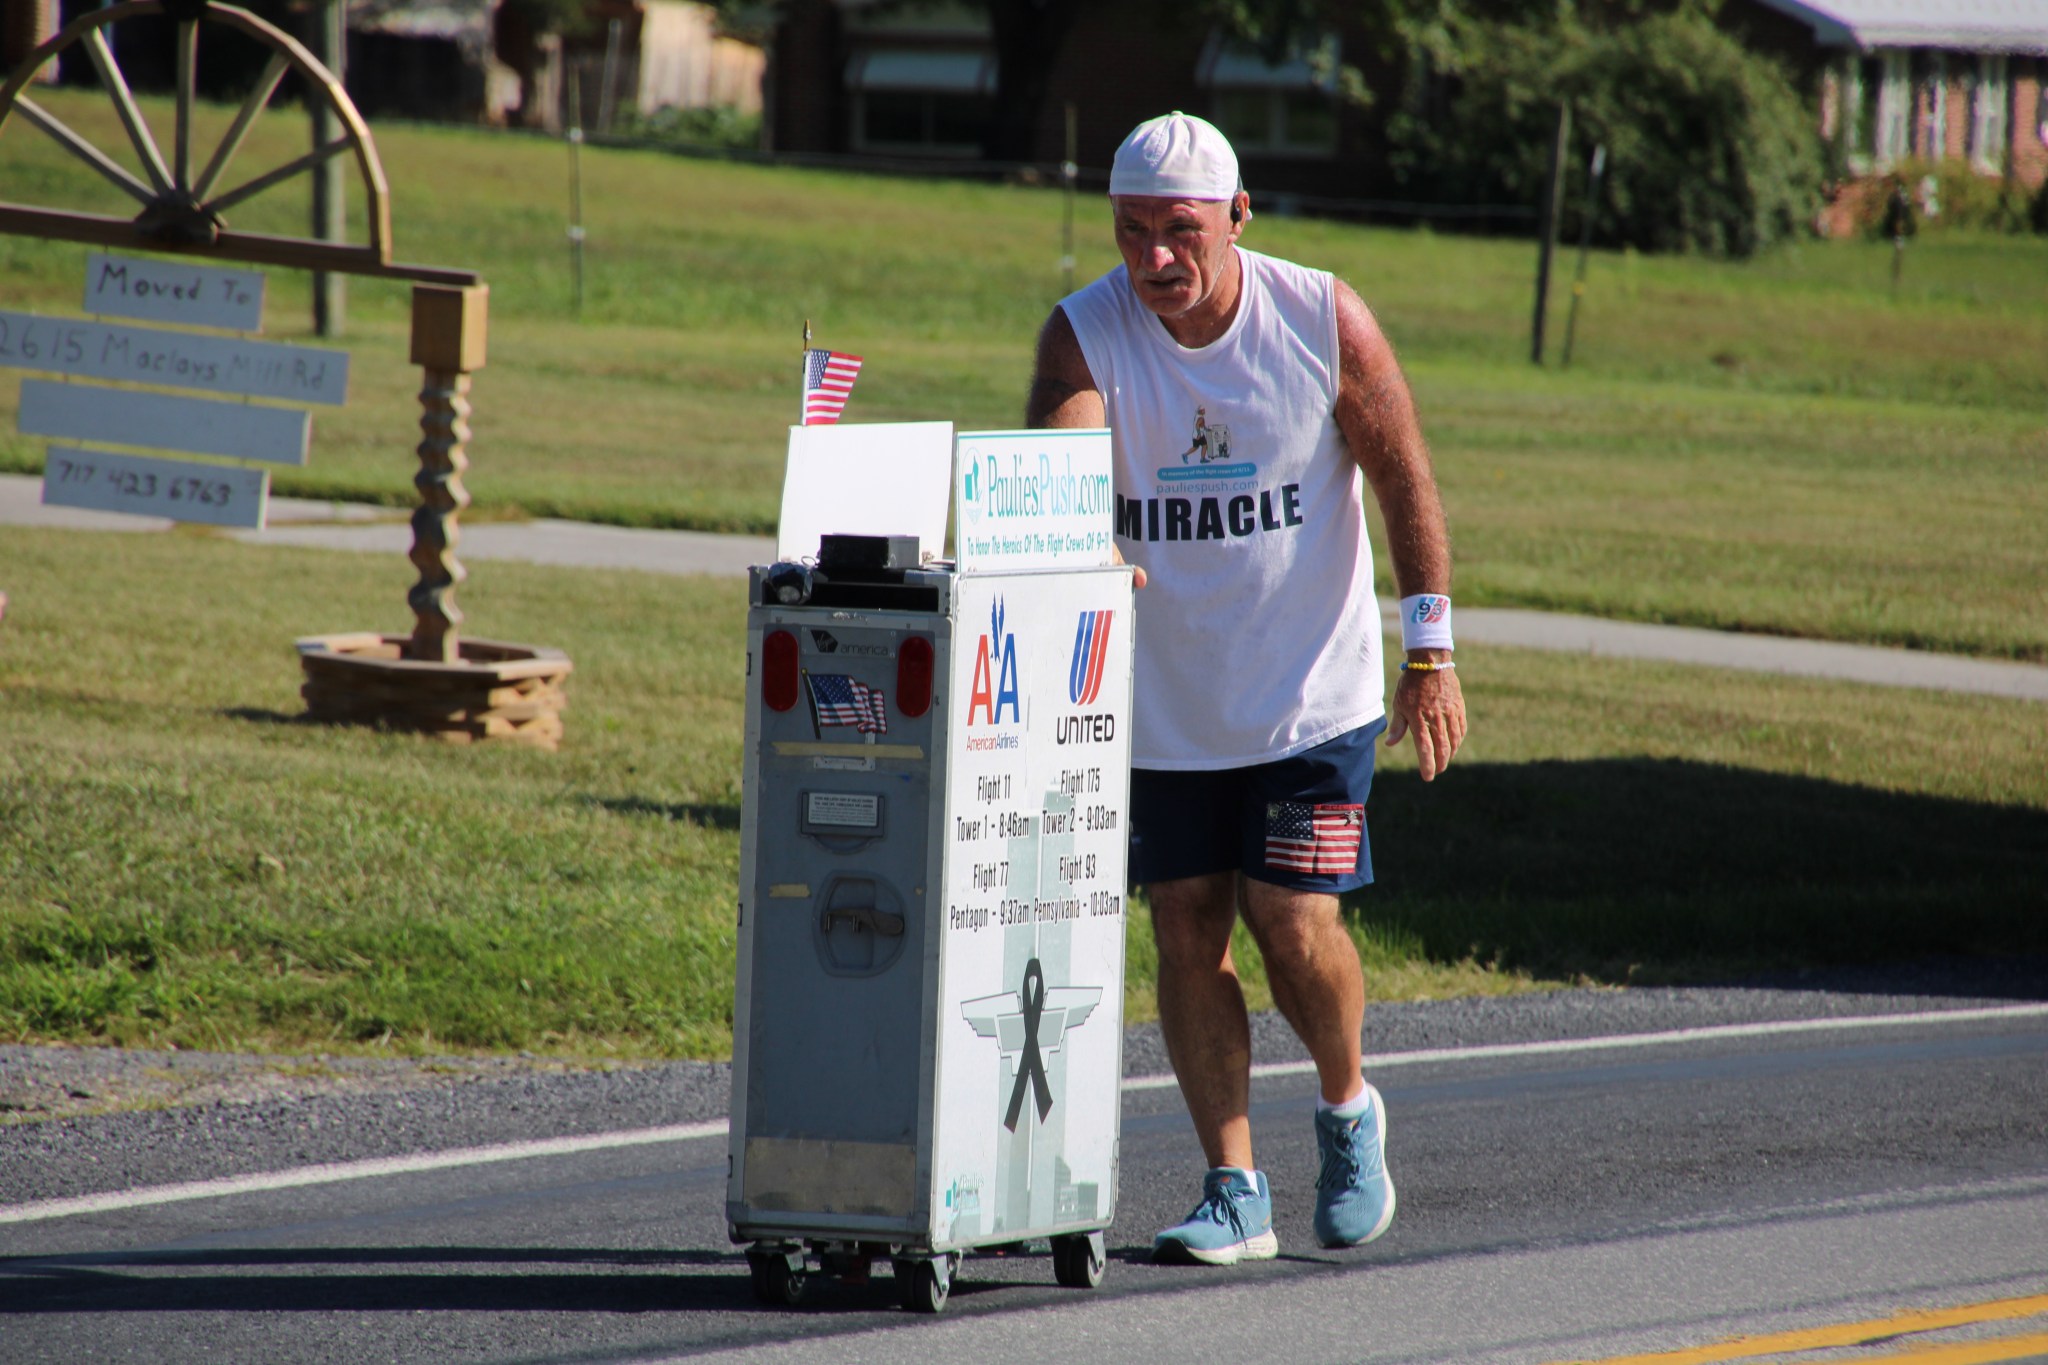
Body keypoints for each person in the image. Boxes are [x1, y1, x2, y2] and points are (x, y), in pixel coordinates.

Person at [1026, 111, 1467, 1265]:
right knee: (1184, 930)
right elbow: (1059, 443)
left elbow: (1403, 476)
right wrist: (1081, 520)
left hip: (1307, 693)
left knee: (1289, 920)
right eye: (1131, 234)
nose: (1154, 260)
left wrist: (1430, 653)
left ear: (1236, 216)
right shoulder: (1085, 332)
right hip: (1166, 706)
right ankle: (1234, 1188)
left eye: (1180, 232)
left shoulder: (1318, 316)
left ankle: (1344, 1109)